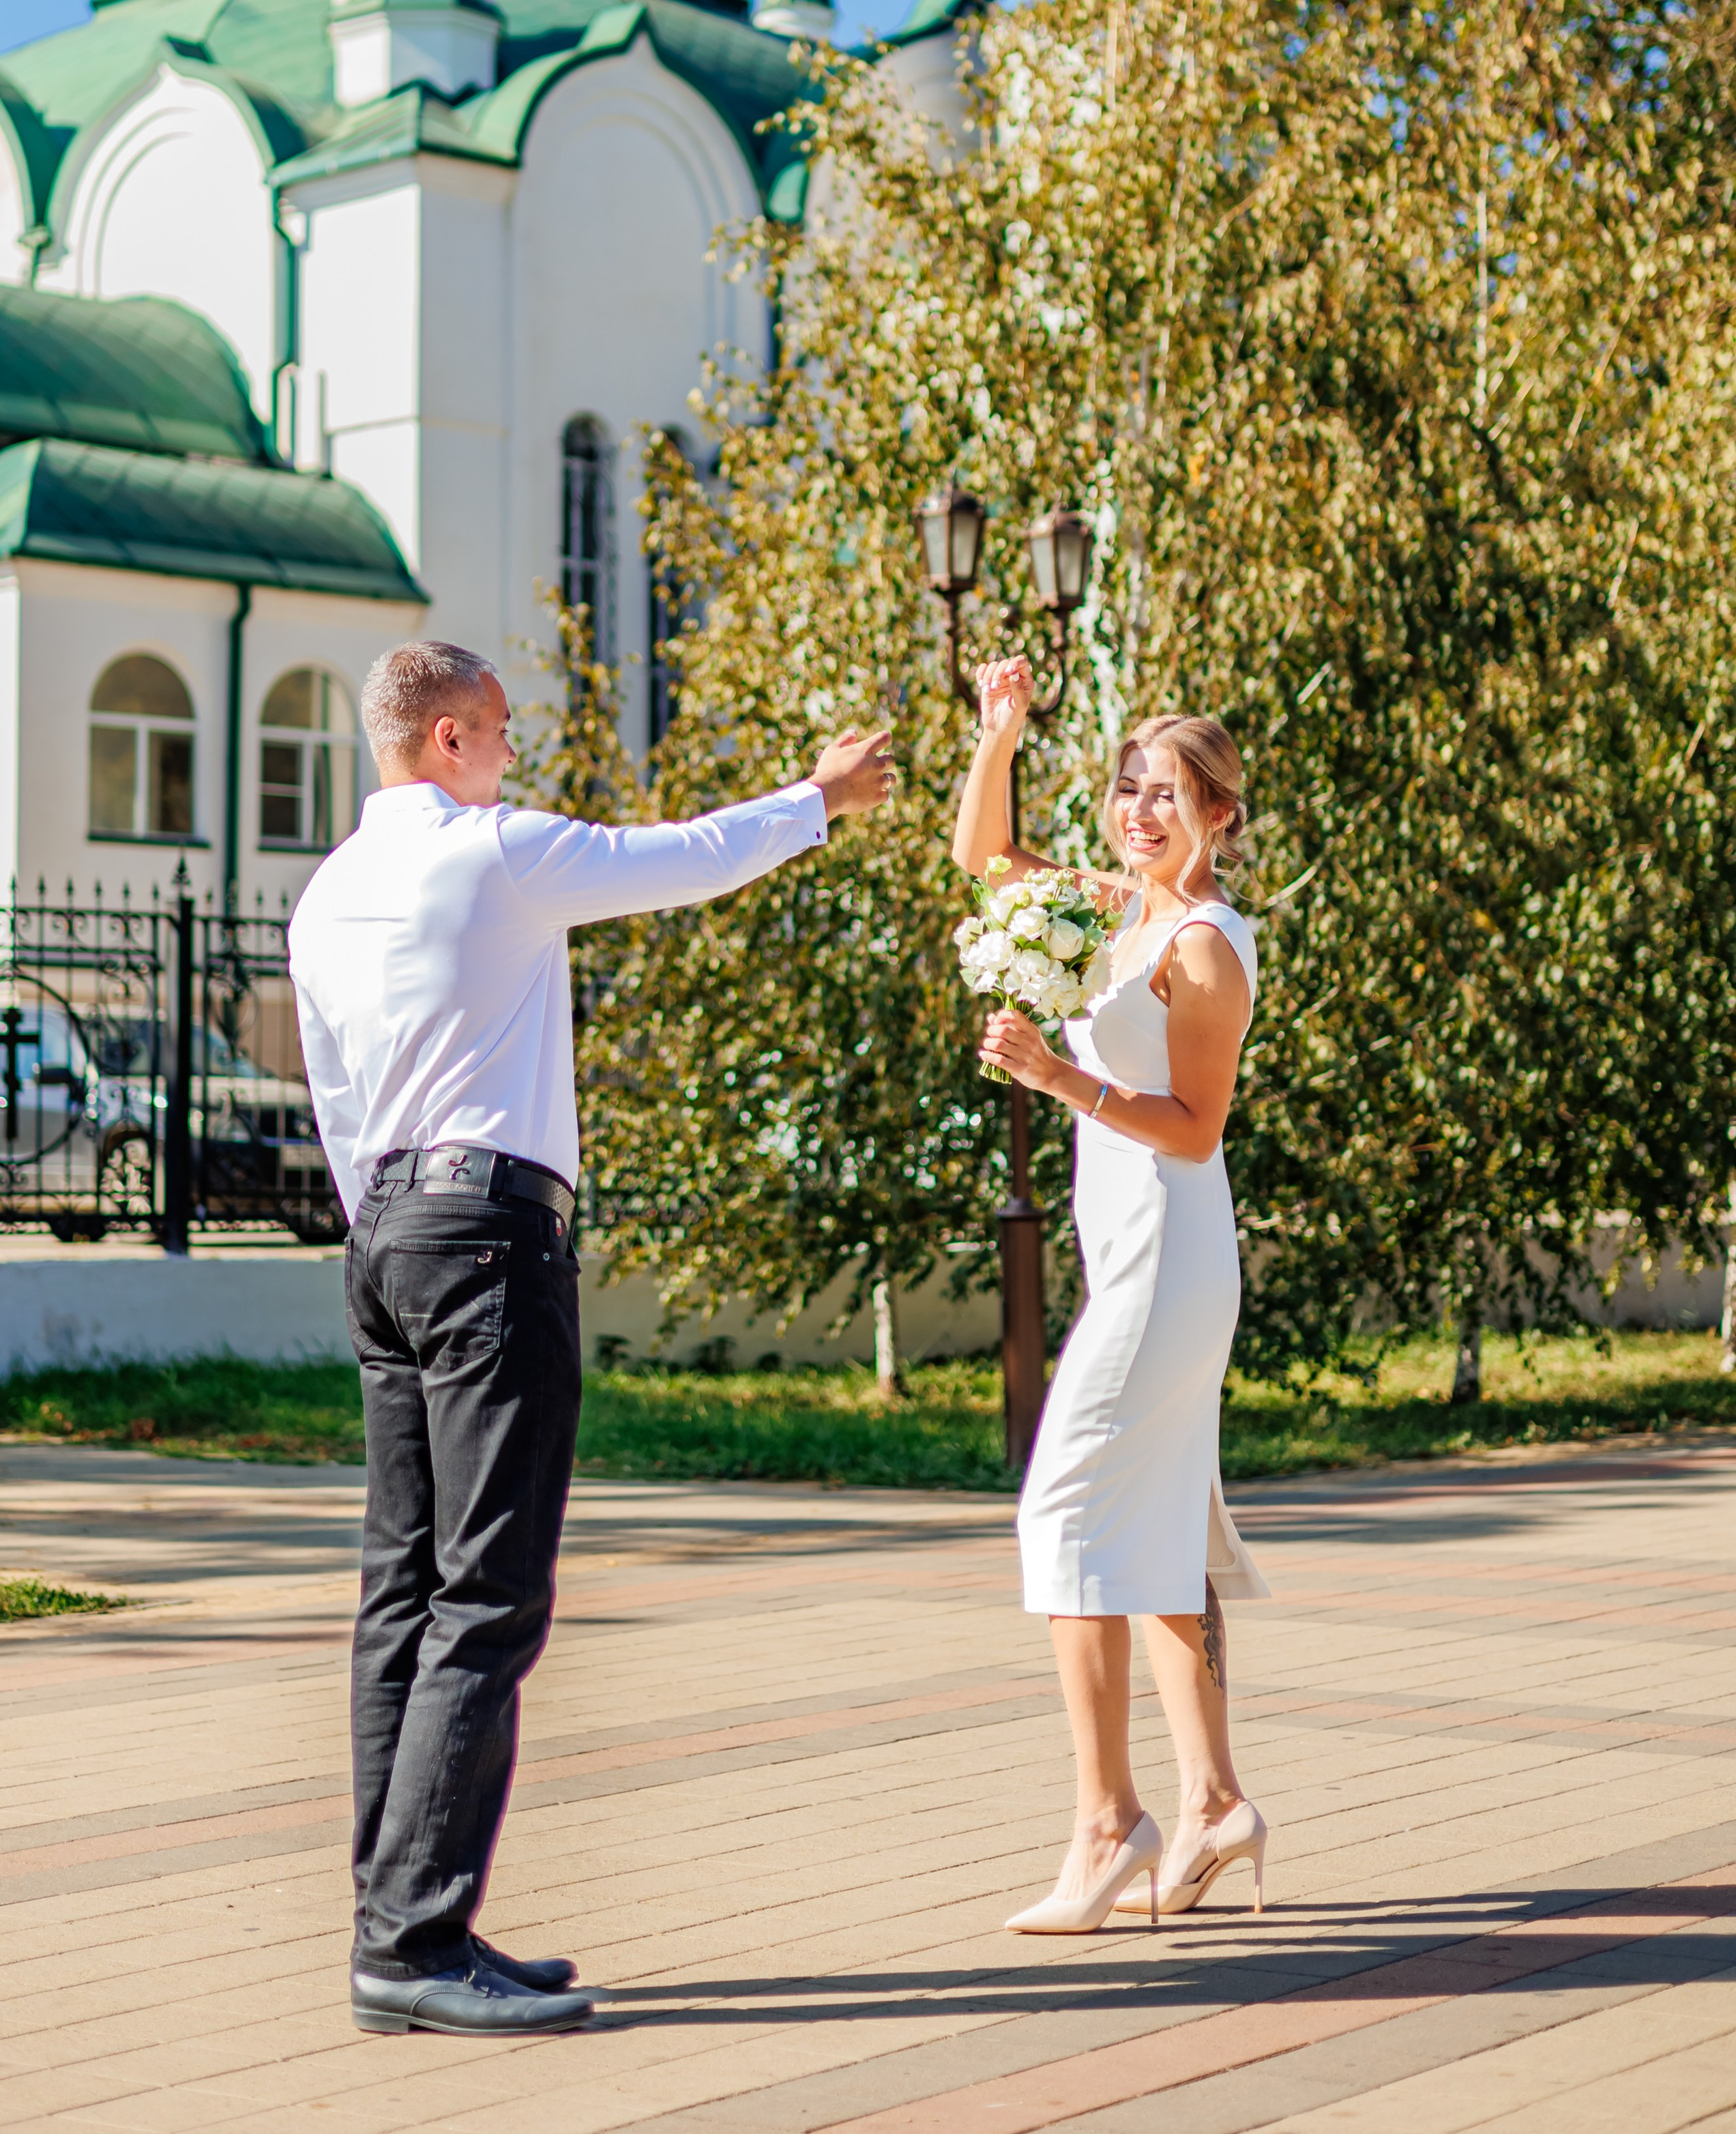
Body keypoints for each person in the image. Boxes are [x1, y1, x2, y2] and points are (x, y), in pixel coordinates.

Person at [291, 639, 893, 2036]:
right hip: (489, 1237)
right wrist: (817, 798)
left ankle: (404, 1925)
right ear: (447, 738)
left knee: (404, 1592)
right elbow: (668, 855)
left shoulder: (324, 897)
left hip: (383, 1232)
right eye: (500, 729)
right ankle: (414, 1942)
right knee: (489, 1596)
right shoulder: (492, 852)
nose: (514, 751)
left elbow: (329, 1090)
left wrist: (383, 1226)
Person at [952, 657, 1269, 1934]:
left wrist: (1053, 1075)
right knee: (1155, 1529)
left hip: (1168, 1256)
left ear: (1222, 818)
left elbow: (1195, 1129)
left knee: (1067, 1510)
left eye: (1171, 797)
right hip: (1133, 1254)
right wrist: (1000, 734)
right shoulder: (1114, 907)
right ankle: (1213, 1804)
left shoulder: (1199, 945)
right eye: (1130, 790)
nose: (1141, 813)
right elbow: (983, 857)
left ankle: (1106, 1823)